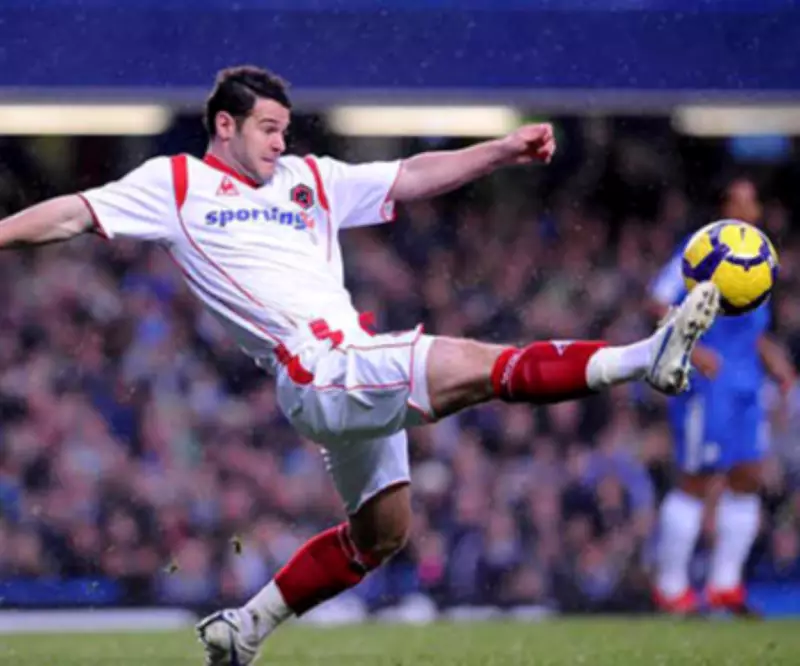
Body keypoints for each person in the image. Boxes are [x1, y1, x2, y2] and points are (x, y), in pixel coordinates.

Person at [0, 65, 720, 664]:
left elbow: (408, 176)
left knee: (382, 534)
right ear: (224, 125)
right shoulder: (176, 184)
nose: (280, 142)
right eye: (267, 128)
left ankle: (246, 627)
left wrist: (500, 151)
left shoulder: (308, 179)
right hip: (318, 368)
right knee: (478, 364)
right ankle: (642, 358)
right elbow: (72, 213)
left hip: (349, 362)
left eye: (285, 129)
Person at [649, 177, 796, 616]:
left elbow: (749, 330)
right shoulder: (702, 250)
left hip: (747, 386)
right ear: (723, 207)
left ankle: (725, 585)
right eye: (737, 201)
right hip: (706, 386)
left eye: (752, 202)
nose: (746, 209)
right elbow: (657, 302)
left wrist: (776, 362)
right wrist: (693, 347)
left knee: (748, 475)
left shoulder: (762, 257)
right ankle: (671, 587)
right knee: (697, 478)